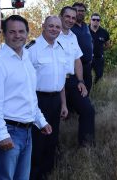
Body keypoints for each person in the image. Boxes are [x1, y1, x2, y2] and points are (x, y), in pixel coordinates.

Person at [0, 15, 52, 179]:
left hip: (27, 132)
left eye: (21, 31)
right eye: (12, 32)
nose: (17, 35)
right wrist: (2, 134)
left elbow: (28, 96)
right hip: (9, 132)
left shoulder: (26, 59)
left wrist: (40, 121)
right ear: (4, 34)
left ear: (28, 33)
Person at [27, 15, 68, 180]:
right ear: (43, 26)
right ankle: (34, 175)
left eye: (57, 27)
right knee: (38, 141)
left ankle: (47, 173)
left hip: (56, 100)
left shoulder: (60, 48)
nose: (54, 30)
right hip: (38, 100)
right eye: (51, 26)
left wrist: (64, 104)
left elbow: (61, 81)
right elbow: (25, 82)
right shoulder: (32, 49)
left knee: (52, 138)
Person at [57, 6, 95, 146]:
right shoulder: (53, 34)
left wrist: (81, 81)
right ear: (61, 16)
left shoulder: (73, 36)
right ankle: (54, 150)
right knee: (55, 116)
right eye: (67, 16)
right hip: (55, 82)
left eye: (73, 17)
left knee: (88, 110)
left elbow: (77, 60)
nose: (70, 20)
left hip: (72, 81)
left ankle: (87, 146)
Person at [71, 2, 94, 94]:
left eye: (82, 11)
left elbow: (90, 42)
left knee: (87, 89)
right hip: (75, 67)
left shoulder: (86, 26)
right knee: (76, 93)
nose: (80, 13)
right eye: (77, 11)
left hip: (87, 66)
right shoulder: (69, 27)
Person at [89, 13, 111, 84]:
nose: (96, 21)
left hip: (99, 59)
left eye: (98, 20)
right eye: (94, 19)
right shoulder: (85, 30)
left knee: (99, 77)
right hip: (87, 58)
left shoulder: (104, 32)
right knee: (86, 77)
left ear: (100, 21)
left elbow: (107, 45)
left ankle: (96, 91)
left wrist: (101, 50)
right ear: (90, 20)